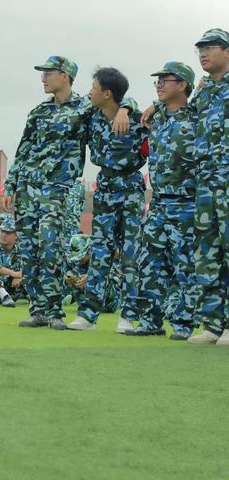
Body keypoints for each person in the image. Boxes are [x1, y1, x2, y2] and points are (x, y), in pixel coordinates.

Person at [3, 56, 132, 331]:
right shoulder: (38, 111)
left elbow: (119, 100)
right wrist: (10, 185)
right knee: (29, 251)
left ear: (65, 76)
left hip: (56, 187)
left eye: (49, 73)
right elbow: (22, 149)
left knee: (50, 246)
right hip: (27, 187)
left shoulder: (86, 107)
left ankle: (54, 310)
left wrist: (125, 111)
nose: (43, 78)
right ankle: (38, 310)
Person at [67, 67, 148, 333]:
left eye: (94, 86)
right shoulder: (91, 115)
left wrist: (125, 109)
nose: (89, 91)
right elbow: (72, 110)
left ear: (107, 93)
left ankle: (128, 316)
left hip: (131, 188)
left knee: (130, 254)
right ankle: (88, 315)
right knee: (100, 251)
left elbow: (141, 109)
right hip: (104, 188)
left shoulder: (136, 119)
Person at [126, 62, 199, 340]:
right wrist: (154, 106)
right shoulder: (155, 119)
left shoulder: (197, 116)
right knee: (151, 262)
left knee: (185, 264)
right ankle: (150, 321)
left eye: (165, 80)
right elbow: (124, 104)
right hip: (158, 202)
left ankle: (183, 324)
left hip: (187, 201)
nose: (159, 84)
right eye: (157, 80)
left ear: (182, 85)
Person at [186, 29, 229, 345]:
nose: (203, 53)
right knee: (207, 254)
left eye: (210, 47)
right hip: (205, 184)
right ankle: (213, 325)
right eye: (199, 48)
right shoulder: (202, 94)